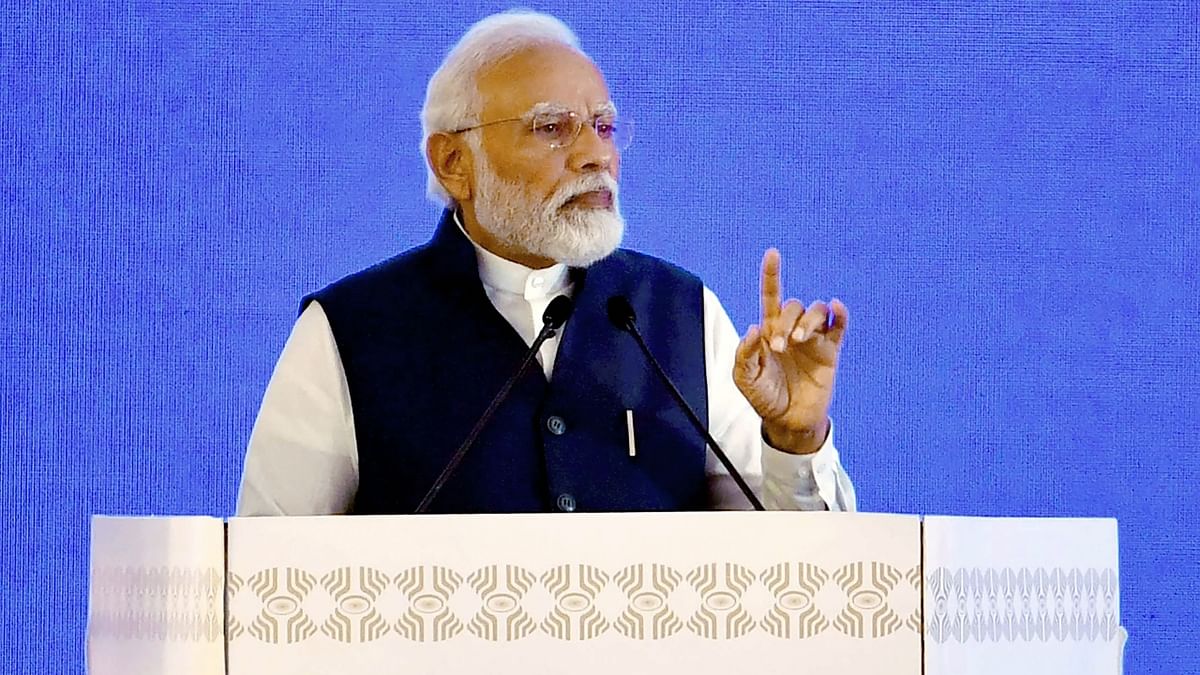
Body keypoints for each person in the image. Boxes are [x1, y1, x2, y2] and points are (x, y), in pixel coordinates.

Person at [236, 10, 856, 516]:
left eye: (604, 126)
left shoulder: (680, 311)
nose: (595, 155)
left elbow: (792, 583)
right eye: (553, 128)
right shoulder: (349, 330)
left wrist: (796, 439)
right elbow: (271, 584)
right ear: (453, 162)